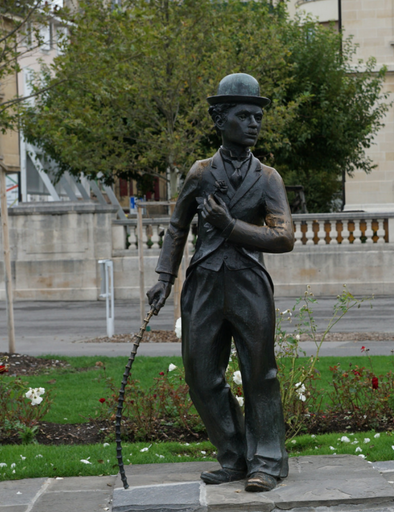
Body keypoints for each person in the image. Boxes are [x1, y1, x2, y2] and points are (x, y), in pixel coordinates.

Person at [146, 73, 294, 492]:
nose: (253, 123)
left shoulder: (268, 178)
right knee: (200, 375)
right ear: (220, 119)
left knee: (259, 375)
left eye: (257, 116)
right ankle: (234, 456)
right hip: (205, 286)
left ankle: (266, 461)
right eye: (243, 115)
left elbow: (283, 238)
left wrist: (230, 227)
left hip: (249, 283)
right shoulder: (199, 173)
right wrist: (163, 277)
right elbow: (177, 228)